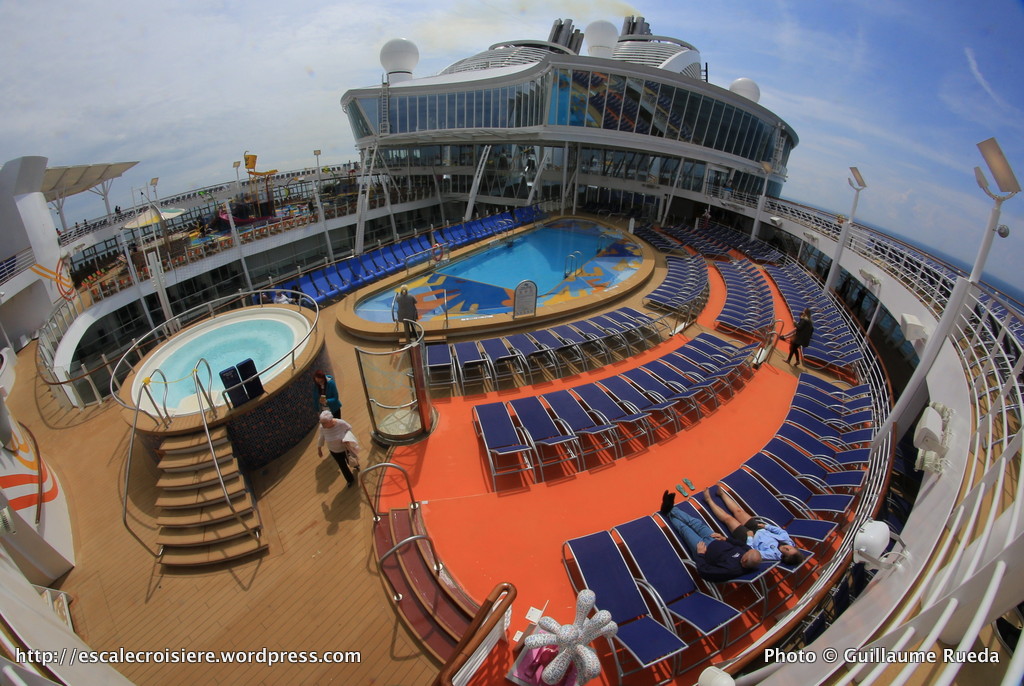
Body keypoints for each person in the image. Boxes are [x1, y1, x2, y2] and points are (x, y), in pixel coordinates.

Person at [658, 490, 762, 582]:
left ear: (744, 560)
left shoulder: (730, 569)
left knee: (685, 529)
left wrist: (700, 554)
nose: (747, 550)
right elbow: (739, 543)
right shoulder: (748, 552)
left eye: (747, 553)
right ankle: (671, 509)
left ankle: (668, 511)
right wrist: (725, 539)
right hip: (716, 539)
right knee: (696, 522)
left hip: (704, 548)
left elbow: (705, 572)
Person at [701, 485, 803, 566]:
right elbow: (781, 532)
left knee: (728, 519)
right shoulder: (789, 542)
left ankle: (708, 500)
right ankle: (722, 494)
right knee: (739, 511)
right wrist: (766, 526)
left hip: (748, 537)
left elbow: (752, 551)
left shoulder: (772, 555)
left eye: (787, 550)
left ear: (785, 557)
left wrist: (749, 537)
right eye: (791, 548)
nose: (787, 547)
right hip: (758, 528)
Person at [316, 411, 358, 488]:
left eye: (324, 423)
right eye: (321, 422)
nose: (322, 425)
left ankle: (356, 465)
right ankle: (350, 479)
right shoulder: (322, 428)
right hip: (334, 451)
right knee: (342, 465)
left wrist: (347, 438)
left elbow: (349, 428)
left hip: (345, 448)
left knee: (350, 459)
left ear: (330, 421)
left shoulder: (340, 423)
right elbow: (321, 438)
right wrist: (319, 449)